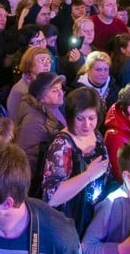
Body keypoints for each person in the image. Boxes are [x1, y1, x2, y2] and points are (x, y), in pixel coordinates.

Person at [40, 87, 110, 236]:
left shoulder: (96, 135)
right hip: (68, 225)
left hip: (93, 220)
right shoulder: (61, 144)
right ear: (71, 117)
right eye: (80, 118)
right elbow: (52, 197)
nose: (87, 125)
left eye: (92, 118)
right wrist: (89, 175)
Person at [14, 71, 67, 173]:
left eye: (60, 89)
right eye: (54, 91)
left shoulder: (55, 109)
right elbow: (27, 159)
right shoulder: (34, 122)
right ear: (41, 98)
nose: (61, 93)